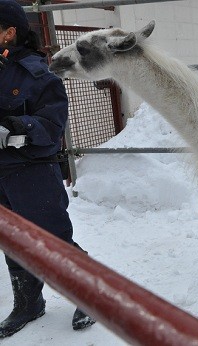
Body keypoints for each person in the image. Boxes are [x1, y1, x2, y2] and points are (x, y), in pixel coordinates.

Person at [0, 0, 95, 337]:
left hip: (32, 173)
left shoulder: (37, 75)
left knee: (53, 238)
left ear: (9, 33)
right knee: (12, 241)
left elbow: (51, 128)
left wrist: (15, 128)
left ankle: (91, 293)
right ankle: (29, 303)